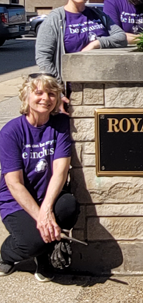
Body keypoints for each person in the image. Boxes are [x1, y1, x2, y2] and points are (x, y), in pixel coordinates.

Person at [0, 74, 79, 282]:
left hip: (47, 196)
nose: (46, 98)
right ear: (26, 96)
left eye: (52, 93)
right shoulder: (10, 132)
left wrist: (46, 209)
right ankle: (6, 254)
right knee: (31, 242)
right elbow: (14, 183)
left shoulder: (60, 124)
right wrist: (42, 216)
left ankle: (45, 256)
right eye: (39, 93)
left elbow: (60, 171)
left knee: (69, 205)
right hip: (16, 201)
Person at [35, 0, 127, 84]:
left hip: (102, 83)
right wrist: (57, 88)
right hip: (70, 87)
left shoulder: (98, 15)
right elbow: (43, 58)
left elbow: (121, 37)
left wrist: (96, 44)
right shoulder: (55, 19)